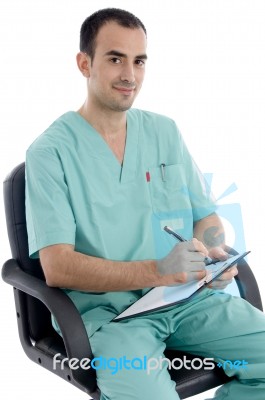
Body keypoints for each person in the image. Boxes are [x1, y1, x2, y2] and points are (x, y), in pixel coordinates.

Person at [25, 8, 265, 400]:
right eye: (115, 58)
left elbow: (205, 217)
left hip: (187, 300)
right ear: (84, 63)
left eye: (139, 61)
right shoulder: (50, 154)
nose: (129, 76)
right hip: (111, 320)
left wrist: (214, 253)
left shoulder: (163, 132)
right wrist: (159, 270)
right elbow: (57, 267)